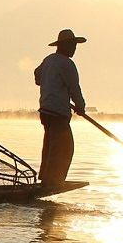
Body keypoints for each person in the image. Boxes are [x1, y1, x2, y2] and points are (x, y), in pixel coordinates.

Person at [33, 29, 87, 186]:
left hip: (45, 110)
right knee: (64, 146)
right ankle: (53, 180)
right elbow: (74, 88)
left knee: (51, 144)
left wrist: (47, 81)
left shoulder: (48, 60)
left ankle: (46, 177)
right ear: (65, 46)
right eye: (72, 45)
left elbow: (37, 75)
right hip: (57, 112)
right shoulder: (67, 64)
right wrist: (80, 106)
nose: (74, 49)